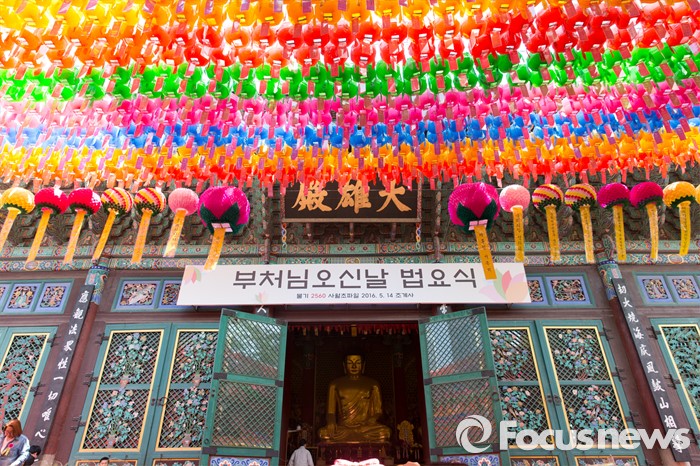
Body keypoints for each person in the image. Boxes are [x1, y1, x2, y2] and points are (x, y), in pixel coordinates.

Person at [318, 354, 391, 443]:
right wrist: (331, 422)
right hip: (343, 428)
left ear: (363, 365)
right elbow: (330, 412)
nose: (354, 366)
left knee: (385, 432)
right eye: (350, 363)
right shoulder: (334, 384)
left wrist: (372, 420)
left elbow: (378, 411)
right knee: (323, 433)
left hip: (365, 427)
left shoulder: (373, 384)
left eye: (358, 363)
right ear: (344, 365)